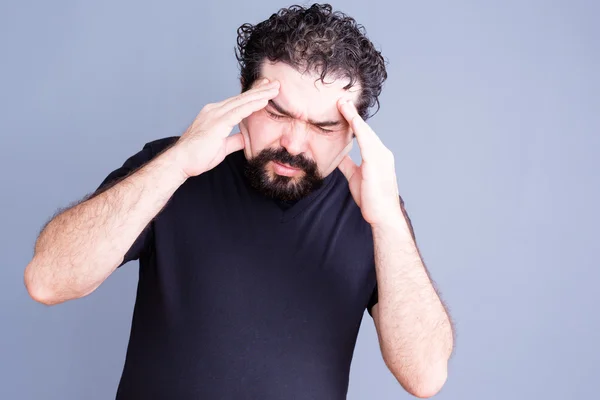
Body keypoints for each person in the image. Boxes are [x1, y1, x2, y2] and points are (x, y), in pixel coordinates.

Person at [24, 4, 454, 399]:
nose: (294, 143)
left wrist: (388, 222)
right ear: (244, 96)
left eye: (324, 127)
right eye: (278, 113)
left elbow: (425, 376)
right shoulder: (172, 169)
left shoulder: (374, 211)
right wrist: (174, 166)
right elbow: (48, 281)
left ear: (353, 134)